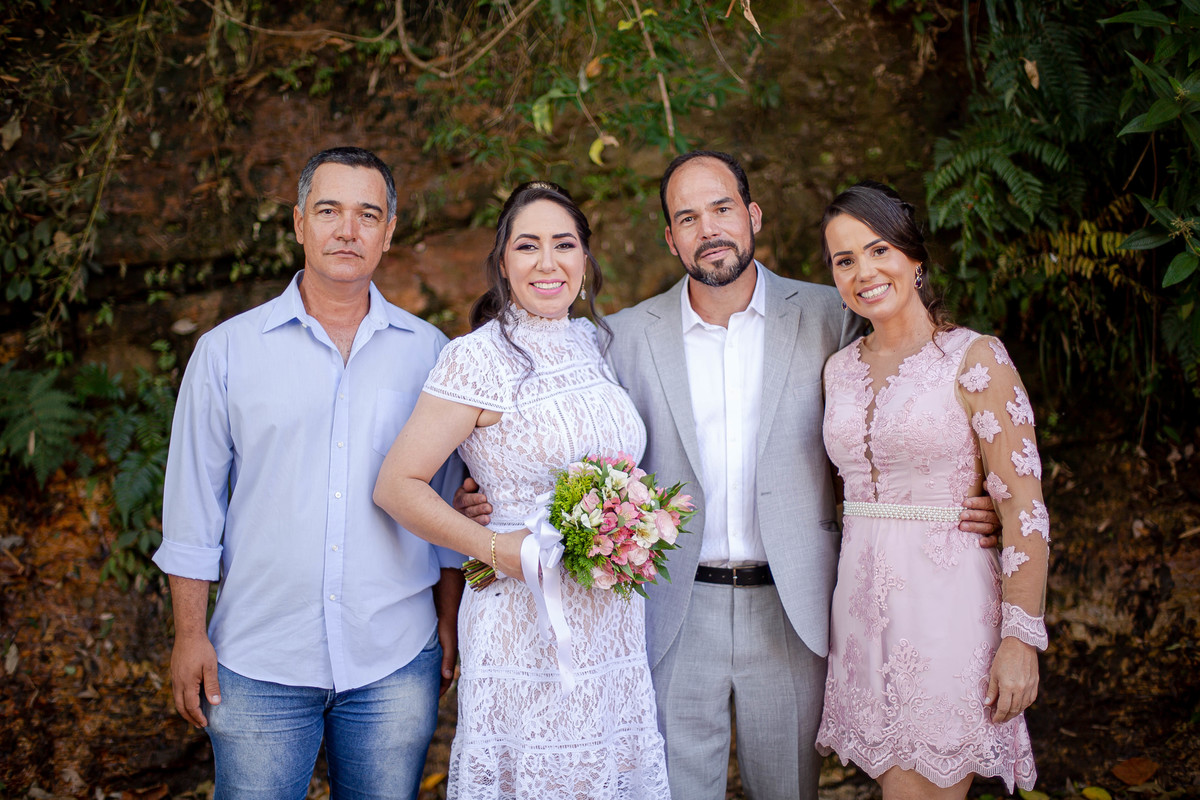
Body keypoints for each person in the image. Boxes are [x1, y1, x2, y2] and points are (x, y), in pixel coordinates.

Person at [457, 151, 1000, 799]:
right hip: (674, 608)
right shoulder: (622, 338)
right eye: (687, 218)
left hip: (794, 608)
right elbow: (569, 431)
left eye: (721, 208)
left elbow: (899, 406)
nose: (708, 228)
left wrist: (962, 496)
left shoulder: (831, 315)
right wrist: (489, 490)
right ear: (670, 238)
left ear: (753, 215)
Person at [153, 146, 465, 800]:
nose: (347, 230)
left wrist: (448, 621)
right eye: (329, 211)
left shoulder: (431, 354)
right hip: (257, 659)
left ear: (389, 233)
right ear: (299, 223)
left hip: (394, 658)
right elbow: (192, 511)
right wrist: (188, 635)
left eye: (367, 215)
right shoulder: (226, 352)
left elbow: (443, 510)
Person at [372, 181, 669, 799]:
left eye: (564, 244)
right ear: (503, 264)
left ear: (585, 258)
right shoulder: (475, 359)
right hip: (521, 618)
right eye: (528, 246)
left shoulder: (596, 342)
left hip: (610, 617)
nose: (547, 262)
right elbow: (397, 485)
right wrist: (492, 547)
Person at [814, 181, 1048, 796]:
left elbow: (1024, 509)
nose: (864, 272)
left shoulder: (974, 358)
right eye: (844, 260)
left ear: (914, 258)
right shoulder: (838, 370)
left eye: (879, 250)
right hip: (860, 618)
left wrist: (1021, 637)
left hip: (947, 609)